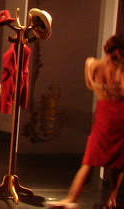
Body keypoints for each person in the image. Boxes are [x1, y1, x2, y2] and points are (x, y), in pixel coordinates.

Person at [45, 34, 124, 209]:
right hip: (112, 113)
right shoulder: (116, 69)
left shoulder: (92, 64)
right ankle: (109, 197)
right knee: (108, 159)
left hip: (110, 113)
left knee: (107, 159)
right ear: (118, 51)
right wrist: (112, 88)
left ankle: (79, 198)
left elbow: (90, 85)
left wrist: (103, 88)